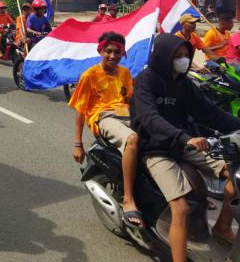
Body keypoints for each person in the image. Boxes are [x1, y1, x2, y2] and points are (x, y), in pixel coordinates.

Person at [131, 33, 240, 261]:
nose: (183, 60)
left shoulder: (185, 84)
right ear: (163, 56)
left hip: (183, 145)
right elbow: (149, 118)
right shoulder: (146, 80)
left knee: (234, 177)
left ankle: (221, 227)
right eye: (177, 56)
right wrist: (184, 138)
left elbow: (212, 114)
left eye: (185, 55)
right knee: (180, 208)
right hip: (156, 149)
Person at [69, 32, 143, 228]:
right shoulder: (90, 75)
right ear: (100, 50)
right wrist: (78, 144)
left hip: (126, 116)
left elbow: (131, 102)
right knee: (133, 140)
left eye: (117, 52)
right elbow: (80, 111)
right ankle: (128, 199)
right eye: (108, 51)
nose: (112, 56)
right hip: (104, 118)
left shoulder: (125, 73)